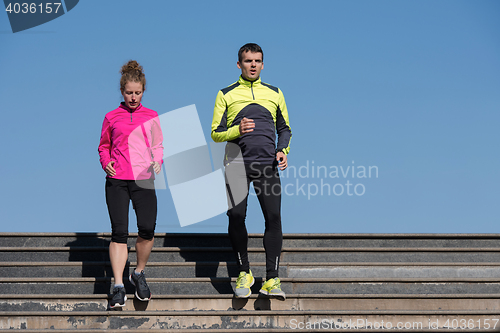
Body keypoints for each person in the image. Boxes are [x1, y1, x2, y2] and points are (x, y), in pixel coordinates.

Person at [211, 43, 292, 300]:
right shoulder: (226, 94)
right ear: (239, 64)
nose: (253, 65)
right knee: (236, 215)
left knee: (273, 217)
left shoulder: (275, 93)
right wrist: (238, 130)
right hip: (236, 165)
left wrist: (282, 151)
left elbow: (285, 129)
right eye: (248, 61)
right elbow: (216, 133)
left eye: (257, 61)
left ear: (263, 64)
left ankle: (271, 277)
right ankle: (244, 272)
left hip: (267, 165)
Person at [98, 60, 164, 308]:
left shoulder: (151, 116)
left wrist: (157, 160)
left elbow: (157, 144)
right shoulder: (111, 117)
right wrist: (105, 162)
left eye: (137, 93)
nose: (133, 97)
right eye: (129, 92)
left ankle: (138, 273)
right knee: (119, 232)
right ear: (122, 91)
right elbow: (103, 146)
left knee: (147, 229)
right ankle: (117, 285)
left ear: (143, 91)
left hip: (143, 178)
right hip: (117, 180)